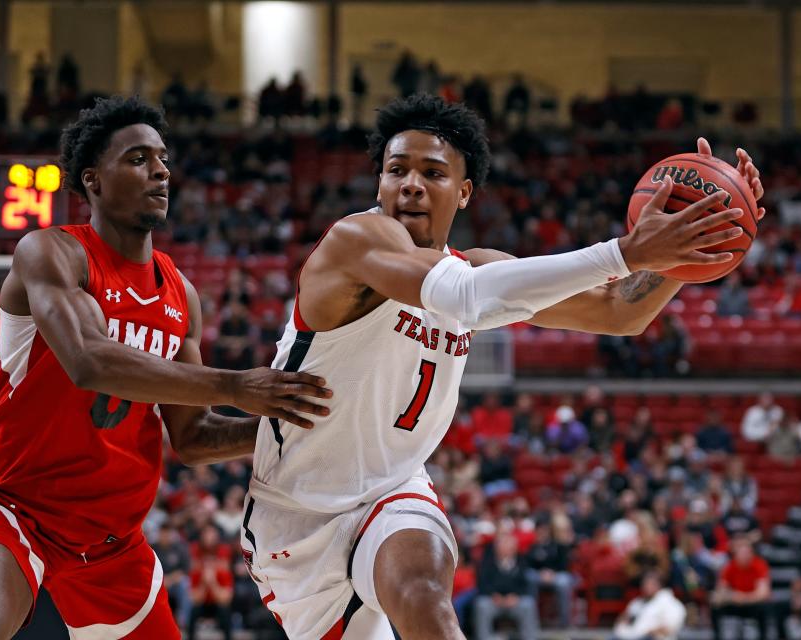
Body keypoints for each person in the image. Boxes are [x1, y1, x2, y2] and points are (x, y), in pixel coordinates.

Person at [240, 94, 765, 639]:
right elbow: (465, 298)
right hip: (299, 514)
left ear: (464, 193)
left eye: (432, 172)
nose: (411, 184)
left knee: (424, 593)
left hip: (392, 490)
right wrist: (627, 252)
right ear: (379, 184)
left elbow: (621, 310)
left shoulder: (476, 269)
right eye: (396, 170)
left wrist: (690, 243)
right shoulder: (357, 241)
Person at [0, 96, 331, 640]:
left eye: (163, 159)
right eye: (138, 158)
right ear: (92, 180)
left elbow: (192, 438)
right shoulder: (52, 253)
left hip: (112, 538)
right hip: (14, 505)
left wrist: (285, 423)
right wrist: (238, 386)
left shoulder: (181, 294)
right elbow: (87, 360)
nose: (161, 170)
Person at [473, 531, 538, 640]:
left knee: (529, 604)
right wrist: (493, 595)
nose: (504, 549)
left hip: (514, 601)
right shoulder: (487, 562)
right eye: (501, 546)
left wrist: (515, 596)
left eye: (509, 547)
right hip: (493, 600)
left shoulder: (522, 561)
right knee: (481, 604)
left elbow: (525, 585)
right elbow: (482, 584)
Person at [711, 537, 772, 640]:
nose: (745, 556)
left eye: (747, 552)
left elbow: (763, 593)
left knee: (765, 607)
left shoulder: (759, 565)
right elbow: (720, 591)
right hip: (736, 603)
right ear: (736, 554)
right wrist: (733, 596)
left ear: (752, 553)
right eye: (741, 553)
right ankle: (718, 636)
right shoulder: (729, 567)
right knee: (715, 605)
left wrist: (743, 597)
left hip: (752, 603)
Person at [612, 571, 686, 640]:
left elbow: (670, 627)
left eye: (651, 584)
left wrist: (652, 632)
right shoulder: (636, 603)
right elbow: (623, 620)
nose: (647, 587)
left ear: (659, 585)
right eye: (645, 584)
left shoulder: (671, 603)